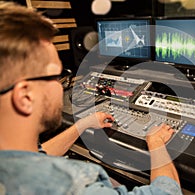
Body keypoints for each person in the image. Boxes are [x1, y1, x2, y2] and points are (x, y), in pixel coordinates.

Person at [0, 2, 182, 194]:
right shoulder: (74, 186)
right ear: (25, 96)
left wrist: (82, 124)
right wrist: (156, 143)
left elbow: (37, 156)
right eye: (56, 75)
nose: (61, 82)